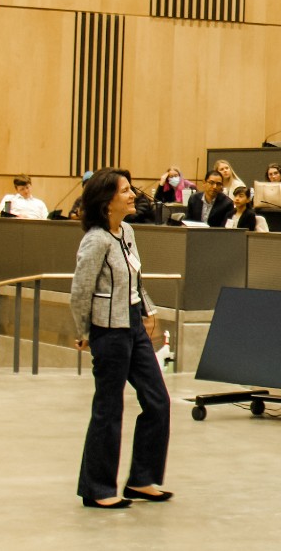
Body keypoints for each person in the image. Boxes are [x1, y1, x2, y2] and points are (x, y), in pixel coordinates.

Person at [70, 168, 172, 508]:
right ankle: (98, 488)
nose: (133, 195)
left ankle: (142, 480)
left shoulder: (126, 230)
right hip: (107, 331)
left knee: (157, 400)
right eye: (126, 190)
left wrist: (148, 308)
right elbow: (81, 291)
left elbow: (135, 277)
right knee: (109, 409)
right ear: (107, 200)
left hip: (132, 323)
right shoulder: (96, 240)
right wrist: (83, 332)